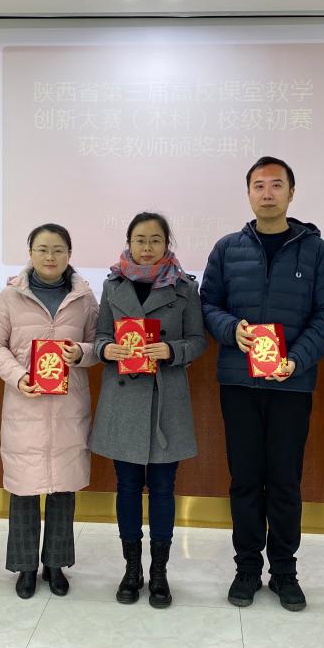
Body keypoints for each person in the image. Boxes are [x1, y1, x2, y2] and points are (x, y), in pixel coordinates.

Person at [200, 156, 324, 612]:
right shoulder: (227, 249)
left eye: (276, 185)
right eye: (259, 185)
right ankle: (246, 567)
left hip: (291, 385)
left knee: (284, 481)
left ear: (291, 193)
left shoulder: (317, 252)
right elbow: (208, 304)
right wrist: (231, 331)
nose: (267, 193)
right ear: (248, 193)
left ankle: (284, 570)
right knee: (244, 479)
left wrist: (297, 359)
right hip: (239, 383)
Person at [89, 212, 207, 608]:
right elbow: (100, 335)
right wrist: (107, 349)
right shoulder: (113, 284)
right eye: (140, 239)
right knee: (125, 487)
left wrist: (171, 350)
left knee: (162, 488)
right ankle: (131, 569)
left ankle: (159, 572)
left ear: (166, 244)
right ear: (128, 242)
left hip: (165, 400)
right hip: (123, 400)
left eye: (155, 240)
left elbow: (198, 341)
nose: (147, 247)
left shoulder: (185, 287)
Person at [0, 223, 100, 599]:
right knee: (25, 489)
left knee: (63, 488)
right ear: (30, 253)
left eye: (58, 250)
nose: (51, 257)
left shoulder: (84, 298)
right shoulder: (10, 297)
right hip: (25, 405)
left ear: (69, 254)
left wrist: (81, 353)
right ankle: (25, 567)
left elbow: (99, 344)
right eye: (43, 249)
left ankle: (56, 564)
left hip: (68, 407)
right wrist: (18, 377)